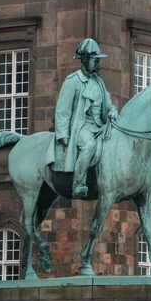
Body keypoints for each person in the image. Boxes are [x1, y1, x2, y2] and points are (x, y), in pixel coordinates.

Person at [53, 39, 118, 199]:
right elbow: (63, 110)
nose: (99, 63)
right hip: (82, 127)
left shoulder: (99, 82)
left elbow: (109, 103)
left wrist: (113, 111)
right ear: (86, 59)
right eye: (96, 60)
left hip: (100, 126)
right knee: (89, 145)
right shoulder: (73, 81)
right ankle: (78, 185)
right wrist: (63, 135)